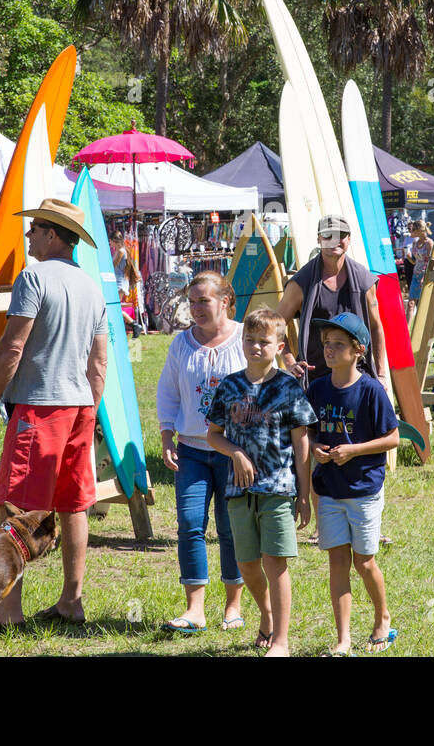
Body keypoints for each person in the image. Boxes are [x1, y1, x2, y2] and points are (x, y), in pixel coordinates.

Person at [0, 198, 108, 628]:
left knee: (17, 505)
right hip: (80, 405)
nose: (29, 234)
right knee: (74, 505)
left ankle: (10, 613)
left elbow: (13, 346)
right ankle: (72, 600)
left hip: (39, 404)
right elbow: (99, 359)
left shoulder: (33, 276)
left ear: (53, 234)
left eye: (34, 228)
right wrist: (90, 405)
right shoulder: (90, 285)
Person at [205, 307, 316, 658]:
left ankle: (281, 641)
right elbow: (213, 435)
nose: (255, 347)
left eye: (264, 342)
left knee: (275, 561)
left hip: (279, 488)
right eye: (249, 340)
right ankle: (266, 614)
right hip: (238, 490)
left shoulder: (287, 386)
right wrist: (235, 453)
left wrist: (304, 492)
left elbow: (301, 441)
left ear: (279, 345)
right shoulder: (229, 385)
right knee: (247, 563)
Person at [155, 271, 246, 635]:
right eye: (191, 302)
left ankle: (233, 607)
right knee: (190, 526)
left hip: (232, 451)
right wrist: (166, 436)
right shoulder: (181, 344)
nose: (195, 309)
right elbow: (167, 393)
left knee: (230, 529)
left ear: (225, 301)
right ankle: (194, 610)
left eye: (203, 301)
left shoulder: (245, 338)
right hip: (191, 451)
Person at [306, 313, 399, 656]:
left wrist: (354, 450)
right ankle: (343, 639)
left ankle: (382, 618)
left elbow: (393, 438)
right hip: (328, 490)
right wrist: (315, 447)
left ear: (358, 350)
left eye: (338, 344)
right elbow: (310, 431)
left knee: (364, 562)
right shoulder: (316, 389)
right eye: (327, 343)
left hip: (363, 490)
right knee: (337, 564)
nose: (329, 349)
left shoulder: (371, 390)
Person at [277, 215, 387, 389]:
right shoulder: (302, 283)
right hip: (315, 379)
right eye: (328, 235)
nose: (334, 240)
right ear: (319, 239)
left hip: (356, 376)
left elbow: (375, 326)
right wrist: (290, 362)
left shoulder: (363, 280)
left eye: (341, 235)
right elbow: (275, 325)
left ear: (349, 239)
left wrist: (381, 374)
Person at [405, 219, 432, 321]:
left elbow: (429, 262)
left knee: (423, 304)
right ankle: (408, 331)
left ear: (419, 231)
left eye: (413, 231)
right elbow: (416, 260)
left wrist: (424, 276)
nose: (412, 233)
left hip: (424, 276)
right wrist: (409, 259)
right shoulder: (415, 242)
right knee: (411, 303)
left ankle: (423, 326)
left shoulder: (429, 243)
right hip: (415, 275)